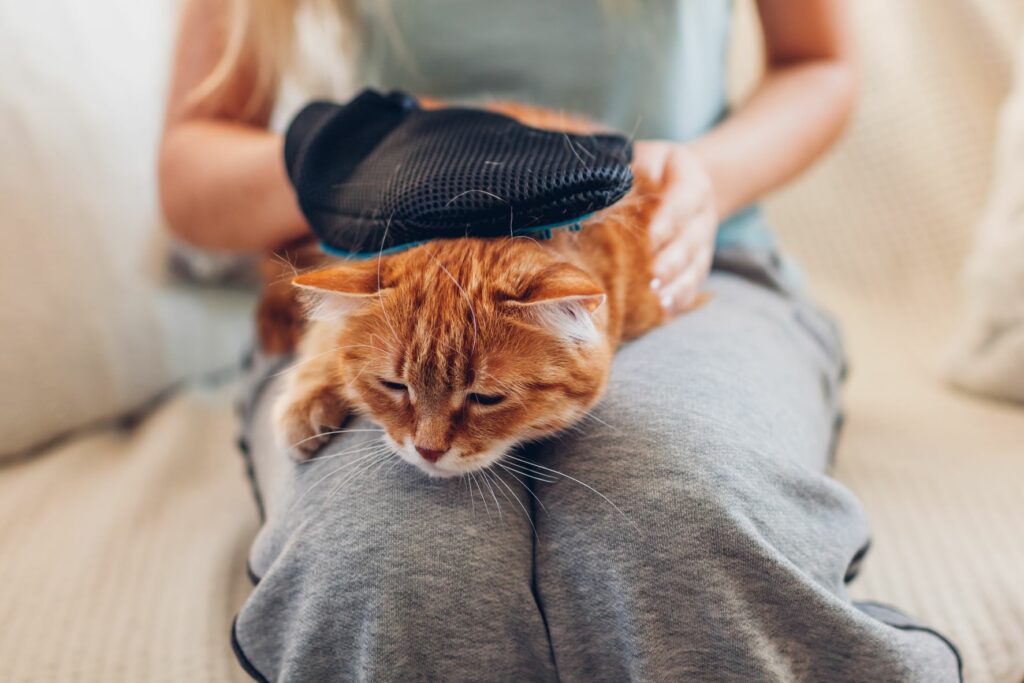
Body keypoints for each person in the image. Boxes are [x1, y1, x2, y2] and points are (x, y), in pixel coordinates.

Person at [159, 1, 962, 680]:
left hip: (678, 255)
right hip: (382, 280)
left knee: (677, 514)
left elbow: (818, 61)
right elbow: (191, 169)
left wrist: (702, 177)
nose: (431, 444)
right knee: (390, 561)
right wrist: (375, 153)